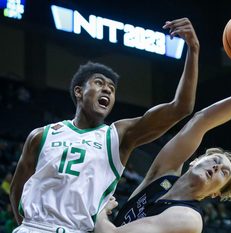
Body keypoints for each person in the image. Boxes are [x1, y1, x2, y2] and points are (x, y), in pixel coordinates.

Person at [9, 17, 200, 233]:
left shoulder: (118, 136)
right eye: (99, 83)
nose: (107, 89)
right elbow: (17, 188)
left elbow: (181, 108)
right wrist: (25, 226)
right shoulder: (41, 135)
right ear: (79, 92)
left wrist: (193, 50)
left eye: (112, 87)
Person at [95, 79, 231, 233]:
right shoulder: (162, 176)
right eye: (216, 160)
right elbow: (202, 120)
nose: (217, 167)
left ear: (216, 193)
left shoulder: (188, 218)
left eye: (223, 172)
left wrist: (100, 208)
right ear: (195, 160)